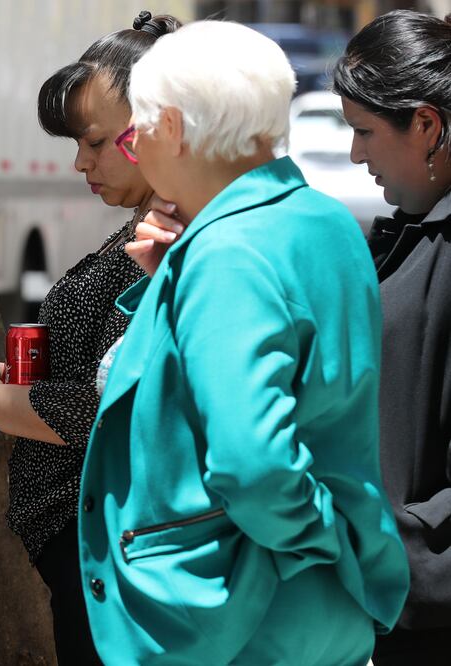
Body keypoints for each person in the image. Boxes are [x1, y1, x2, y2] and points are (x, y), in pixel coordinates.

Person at [80, 21, 410, 664]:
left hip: (234, 618)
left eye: (133, 133)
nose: (135, 149)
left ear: (170, 128)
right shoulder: (324, 221)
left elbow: (252, 465)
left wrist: (320, 535)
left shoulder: (227, 252)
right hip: (316, 612)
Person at [0, 11, 179, 664]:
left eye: (96, 142)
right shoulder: (146, 224)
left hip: (116, 552)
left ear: (158, 126)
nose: (79, 162)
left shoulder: (169, 236)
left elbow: (102, 408)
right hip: (96, 551)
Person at [333, 11, 451, 665]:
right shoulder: (413, 230)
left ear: (426, 125)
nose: (354, 154)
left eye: (364, 132)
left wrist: (388, 555)